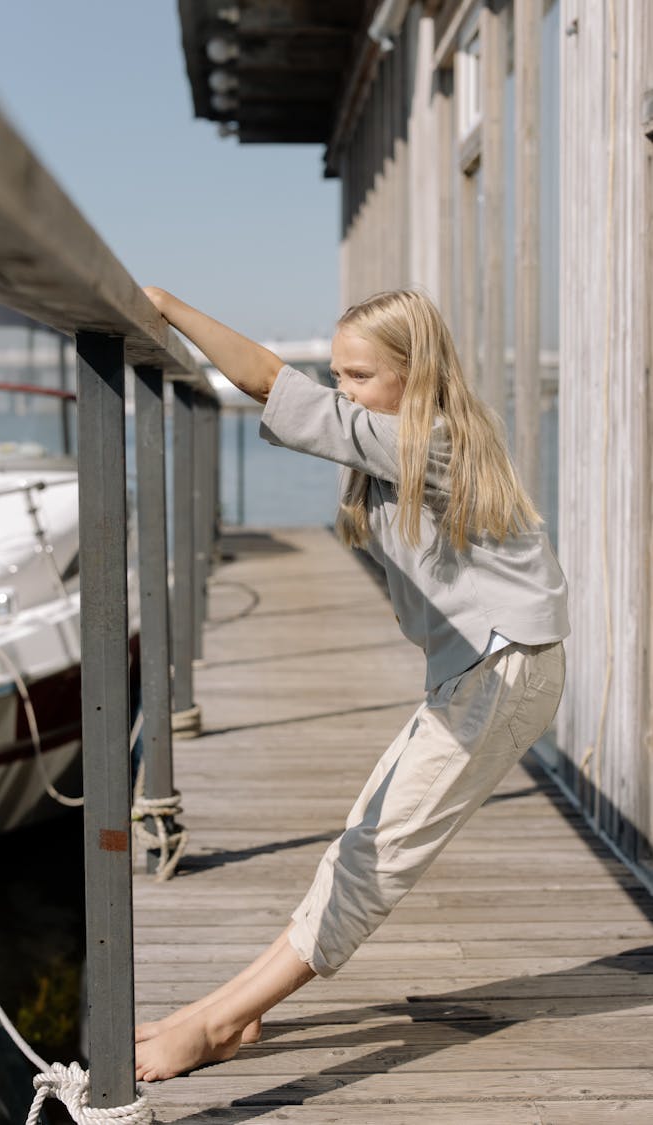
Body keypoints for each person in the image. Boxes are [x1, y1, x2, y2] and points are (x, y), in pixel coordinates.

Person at [134, 287, 569, 1083]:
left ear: (416, 373)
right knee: (358, 840)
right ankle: (230, 1006)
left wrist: (168, 307)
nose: (342, 392)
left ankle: (219, 1024)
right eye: (336, 375)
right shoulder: (402, 444)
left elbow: (269, 381)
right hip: (479, 670)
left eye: (359, 376)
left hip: (503, 671)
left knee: (375, 857)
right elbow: (296, 394)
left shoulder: (432, 441)